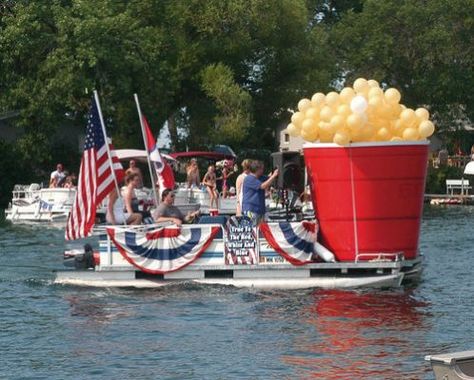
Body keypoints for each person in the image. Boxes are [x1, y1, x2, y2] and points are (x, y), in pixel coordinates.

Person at [242, 160, 278, 225]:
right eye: (262, 169)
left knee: (260, 231)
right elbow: (263, 186)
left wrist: (274, 173)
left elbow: (269, 179)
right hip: (251, 210)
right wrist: (273, 176)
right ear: (257, 169)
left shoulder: (260, 177)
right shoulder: (249, 179)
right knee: (252, 230)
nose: (263, 170)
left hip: (260, 210)